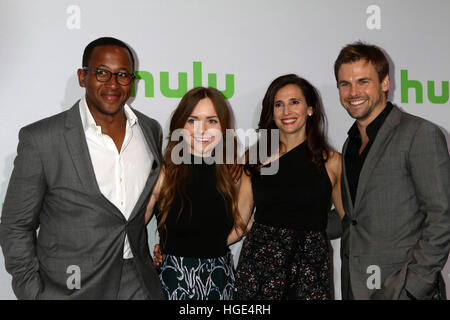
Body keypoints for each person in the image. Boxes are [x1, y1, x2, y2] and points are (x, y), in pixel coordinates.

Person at [0, 37, 164, 299]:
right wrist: (33, 292)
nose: (112, 83)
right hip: (71, 287)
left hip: (138, 284)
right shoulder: (42, 139)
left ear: (132, 81)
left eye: (122, 75)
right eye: (101, 73)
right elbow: (15, 225)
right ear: (82, 76)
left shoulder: (150, 130)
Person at [334, 41, 450, 300]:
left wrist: (413, 288)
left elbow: (442, 217)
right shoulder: (350, 144)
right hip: (356, 288)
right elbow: (353, 217)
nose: (353, 92)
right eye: (345, 84)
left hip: (403, 289)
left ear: (385, 83)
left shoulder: (419, 133)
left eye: (363, 81)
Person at [231, 74, 345, 300]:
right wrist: (189, 247)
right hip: (259, 268)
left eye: (295, 102)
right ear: (271, 112)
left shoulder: (332, 162)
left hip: (311, 268)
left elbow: (349, 220)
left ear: (310, 108)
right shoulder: (254, 158)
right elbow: (239, 222)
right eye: (279, 104)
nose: (286, 112)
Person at [144, 86, 245, 300]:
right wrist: (146, 256)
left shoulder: (233, 173)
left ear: (223, 127)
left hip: (220, 283)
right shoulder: (163, 172)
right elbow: (132, 225)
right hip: (172, 283)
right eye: (192, 120)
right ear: (180, 124)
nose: (202, 129)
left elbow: (243, 224)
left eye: (212, 120)